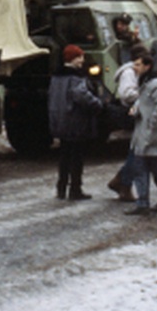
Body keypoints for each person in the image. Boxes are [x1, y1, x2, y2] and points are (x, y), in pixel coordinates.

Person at [49, 44, 103, 200]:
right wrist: (98, 104)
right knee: (77, 157)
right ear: (74, 59)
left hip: (60, 120)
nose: (82, 60)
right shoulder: (75, 78)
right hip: (75, 121)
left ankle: (61, 188)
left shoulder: (56, 77)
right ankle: (75, 189)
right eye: (80, 57)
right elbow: (82, 96)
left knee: (64, 156)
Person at [125, 53, 157, 215]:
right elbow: (144, 101)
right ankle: (144, 202)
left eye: (138, 64)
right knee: (141, 169)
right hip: (144, 136)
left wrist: (152, 123)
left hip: (152, 137)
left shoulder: (155, 84)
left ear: (147, 66)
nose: (134, 68)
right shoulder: (146, 83)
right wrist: (136, 109)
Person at [106, 43, 147, 201]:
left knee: (137, 152)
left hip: (137, 113)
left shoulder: (133, 71)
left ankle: (123, 182)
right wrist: (144, 93)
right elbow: (126, 94)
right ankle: (123, 181)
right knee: (138, 153)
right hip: (131, 113)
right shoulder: (129, 73)